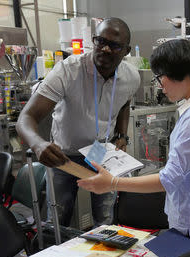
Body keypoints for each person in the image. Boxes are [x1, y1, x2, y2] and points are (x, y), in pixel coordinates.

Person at [78, 39, 190, 248]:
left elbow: (169, 179)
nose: (161, 87)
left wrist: (113, 183)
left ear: (175, 73)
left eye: (159, 78)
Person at [16, 18, 140, 227]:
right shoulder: (67, 71)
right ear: (93, 41)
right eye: (100, 41)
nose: (106, 49)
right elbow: (26, 118)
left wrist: (121, 134)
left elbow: (124, 103)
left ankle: (103, 256)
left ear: (126, 51)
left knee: (106, 218)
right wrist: (38, 144)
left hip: (100, 151)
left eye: (115, 45)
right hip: (64, 154)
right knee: (58, 220)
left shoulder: (131, 77)